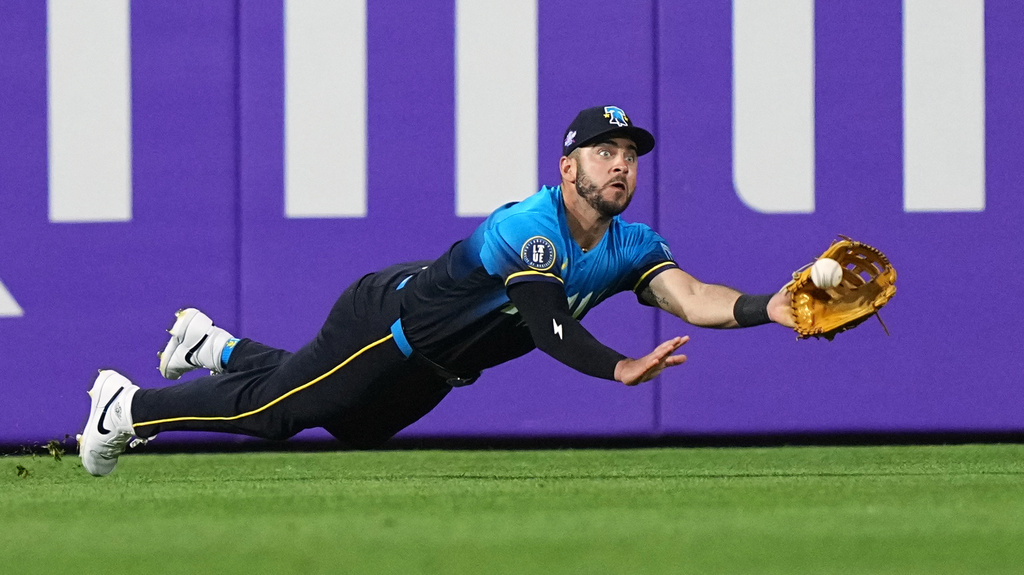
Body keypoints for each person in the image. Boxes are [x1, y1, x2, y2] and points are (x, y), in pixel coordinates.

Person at [77, 105, 795, 476]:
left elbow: (696, 296)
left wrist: (777, 306)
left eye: (629, 155)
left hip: (436, 368)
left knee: (355, 425)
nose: (620, 165)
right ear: (566, 165)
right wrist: (617, 366)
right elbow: (547, 324)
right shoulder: (529, 226)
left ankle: (217, 346)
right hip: (384, 325)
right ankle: (126, 407)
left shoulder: (631, 245)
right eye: (603, 152)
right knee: (277, 413)